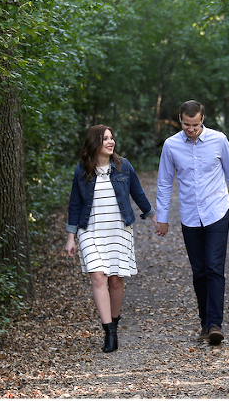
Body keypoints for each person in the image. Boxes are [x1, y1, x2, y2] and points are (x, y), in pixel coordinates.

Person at [155, 100, 229, 345]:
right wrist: (162, 217)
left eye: (195, 125)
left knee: (215, 267)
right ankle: (205, 323)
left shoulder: (219, 140)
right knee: (199, 271)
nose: (191, 129)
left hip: (217, 211)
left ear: (202, 120)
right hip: (190, 216)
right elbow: (164, 182)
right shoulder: (171, 145)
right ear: (180, 119)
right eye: (186, 124)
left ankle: (215, 324)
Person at [65, 124, 157, 353]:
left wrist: (154, 217)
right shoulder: (82, 170)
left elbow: (138, 193)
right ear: (95, 142)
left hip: (118, 228)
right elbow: (75, 205)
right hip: (90, 230)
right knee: (98, 277)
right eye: (105, 138)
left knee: (115, 280)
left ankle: (114, 321)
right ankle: (109, 331)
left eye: (112, 138)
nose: (110, 141)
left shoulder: (123, 166)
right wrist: (70, 237)